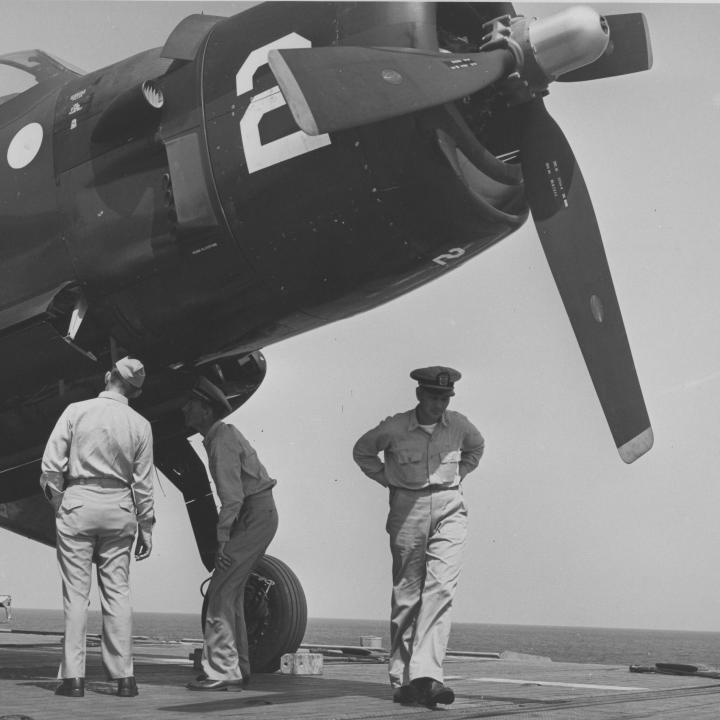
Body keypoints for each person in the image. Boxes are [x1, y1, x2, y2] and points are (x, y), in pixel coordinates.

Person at [353, 366, 485, 707]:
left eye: (445, 398)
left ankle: (427, 676)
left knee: (441, 587)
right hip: (407, 507)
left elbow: (476, 448)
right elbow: (362, 451)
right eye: (434, 397)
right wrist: (389, 480)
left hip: (449, 506)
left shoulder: (459, 425)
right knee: (408, 594)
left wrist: (461, 475)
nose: (439, 404)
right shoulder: (395, 428)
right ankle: (402, 678)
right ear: (419, 395)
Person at [40, 357, 155, 699]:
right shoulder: (141, 424)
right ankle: (125, 679)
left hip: (78, 502)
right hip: (121, 507)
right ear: (135, 390)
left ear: (109, 377)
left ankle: (74, 680)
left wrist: (62, 505)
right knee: (118, 593)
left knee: (76, 596)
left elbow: (50, 467)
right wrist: (146, 527)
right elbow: (144, 484)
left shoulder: (77, 410)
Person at [182, 378, 278, 691]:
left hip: (252, 514)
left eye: (191, 404)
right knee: (231, 593)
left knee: (220, 594)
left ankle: (221, 671)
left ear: (206, 410)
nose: (185, 409)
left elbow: (233, 497)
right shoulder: (219, 436)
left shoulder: (220, 439)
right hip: (257, 514)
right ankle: (237, 669)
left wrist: (222, 541)